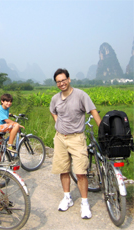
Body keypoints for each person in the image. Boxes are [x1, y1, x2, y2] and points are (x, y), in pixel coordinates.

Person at [50, 69, 101, 219]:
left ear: (69, 79)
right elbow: (53, 111)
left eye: (63, 80)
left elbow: (93, 111)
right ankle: (67, 198)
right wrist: (57, 121)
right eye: (58, 81)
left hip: (76, 138)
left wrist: (103, 131)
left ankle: (85, 203)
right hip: (60, 138)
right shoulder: (55, 98)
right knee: (63, 169)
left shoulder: (80, 95)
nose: (61, 83)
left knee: (80, 172)